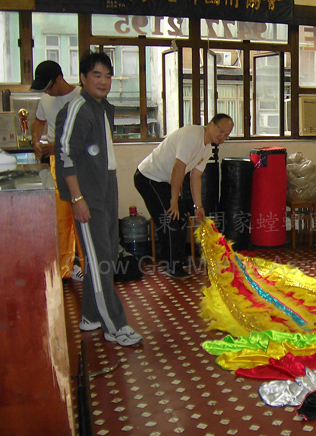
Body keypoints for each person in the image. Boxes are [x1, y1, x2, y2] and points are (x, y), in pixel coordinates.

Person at [56, 52, 142, 346]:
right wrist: (77, 198)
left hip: (106, 188)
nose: (103, 81)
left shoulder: (101, 108)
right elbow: (65, 156)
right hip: (88, 196)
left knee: (105, 256)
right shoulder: (78, 108)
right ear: (83, 78)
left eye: (107, 76)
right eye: (96, 75)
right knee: (101, 260)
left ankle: (91, 315)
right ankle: (115, 326)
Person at [134, 113, 234, 279]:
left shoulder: (207, 148)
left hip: (164, 181)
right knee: (170, 219)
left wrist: (198, 206)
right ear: (211, 124)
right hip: (149, 178)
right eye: (221, 131)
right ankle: (172, 265)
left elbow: (195, 177)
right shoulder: (192, 136)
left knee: (180, 218)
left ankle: (176, 259)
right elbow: (178, 168)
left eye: (226, 135)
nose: (222, 137)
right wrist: (173, 200)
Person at [30, 60, 84, 282]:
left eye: (48, 87)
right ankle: (64, 269)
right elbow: (38, 122)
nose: (47, 92)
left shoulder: (81, 97)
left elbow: (86, 138)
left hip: (80, 164)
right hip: (56, 164)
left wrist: (58, 146)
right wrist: (36, 140)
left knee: (82, 216)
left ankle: (89, 268)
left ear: (60, 79)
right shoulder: (46, 99)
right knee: (61, 219)